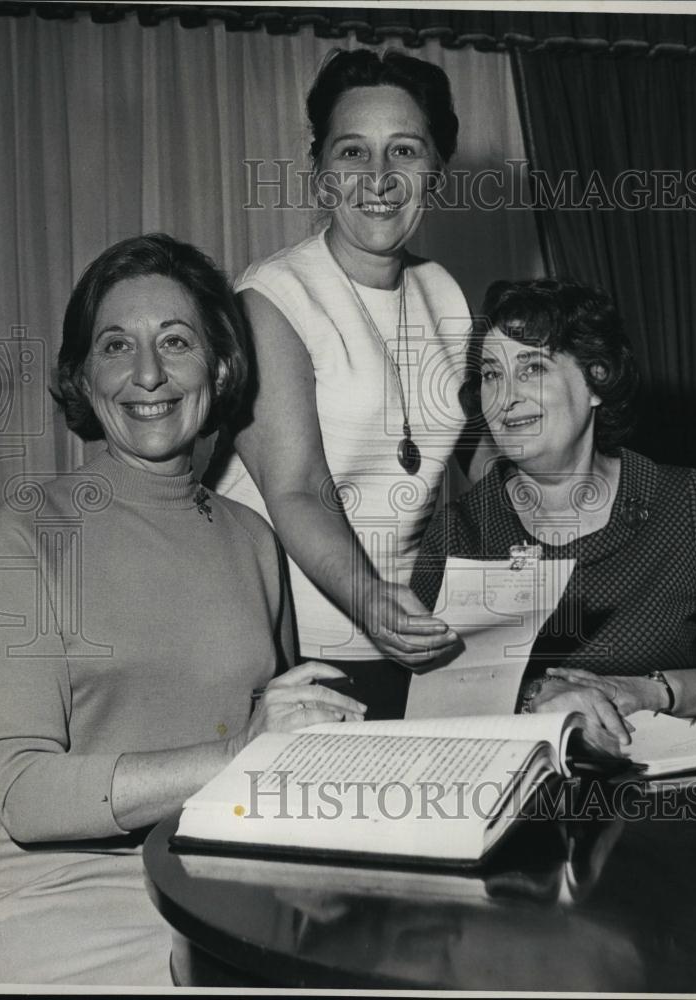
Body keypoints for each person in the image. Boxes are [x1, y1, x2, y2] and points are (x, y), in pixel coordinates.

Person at [0, 234, 365, 987]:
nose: (147, 373)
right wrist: (234, 757)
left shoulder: (254, 538)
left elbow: (279, 752)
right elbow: (22, 792)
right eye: (116, 345)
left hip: (219, 885)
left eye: (176, 342)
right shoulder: (31, 528)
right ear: (84, 376)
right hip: (60, 899)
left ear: (220, 369)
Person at [205, 48, 472, 714]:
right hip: (287, 637)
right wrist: (373, 602)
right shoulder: (271, 296)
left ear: (436, 170)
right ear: (321, 174)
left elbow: (479, 447)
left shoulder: (444, 291)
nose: (378, 178)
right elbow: (298, 487)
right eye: (353, 153)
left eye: (405, 150)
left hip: (411, 628)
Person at [411, 278, 696, 751]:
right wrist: (534, 697)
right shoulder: (460, 531)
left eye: (532, 368)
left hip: (671, 784)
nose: (505, 397)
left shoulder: (686, 503)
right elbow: (431, 704)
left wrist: (648, 691)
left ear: (596, 381)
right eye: (491, 375)